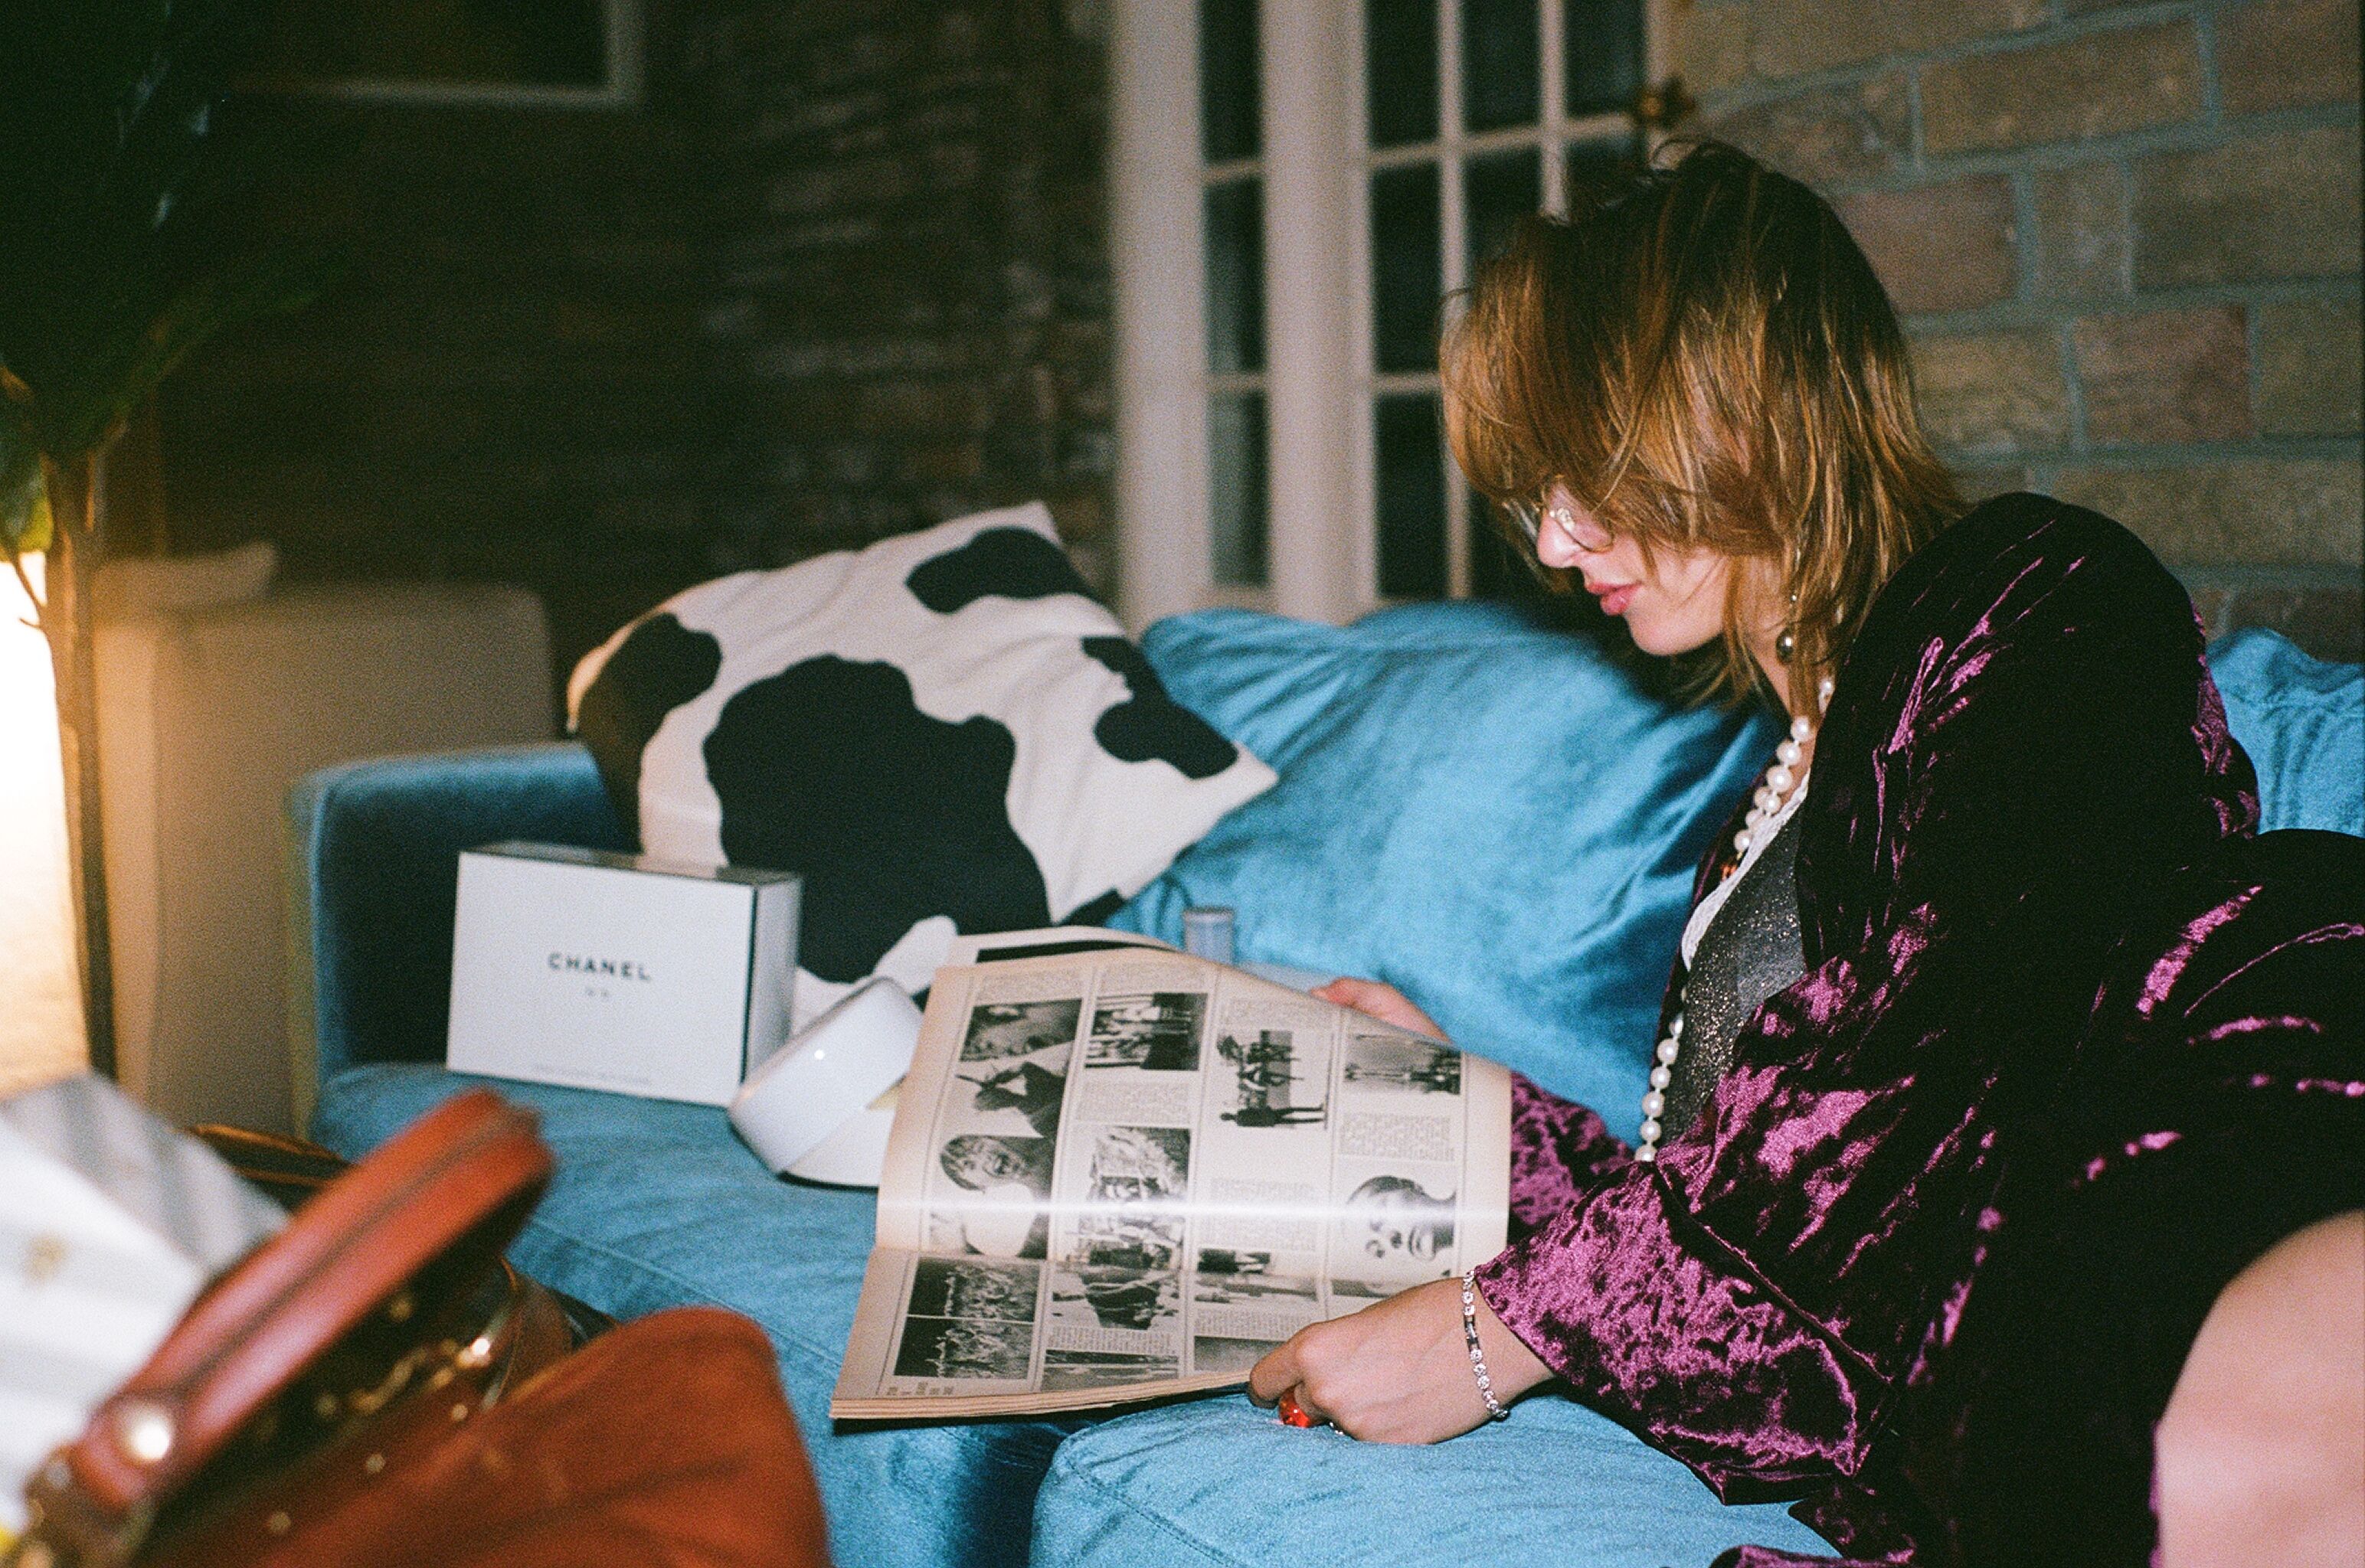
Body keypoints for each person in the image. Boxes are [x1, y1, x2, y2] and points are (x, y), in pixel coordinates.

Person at [1240, 142, 2363, 1566]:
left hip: (2168, 1297)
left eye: (1597, 472)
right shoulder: (1780, 780)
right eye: (1540, 492)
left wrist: (1491, 1334)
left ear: (1746, 411)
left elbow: (1945, 1051)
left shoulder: (2034, 594)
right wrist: (1467, 1105)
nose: (1561, 540)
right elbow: (1765, 1255)